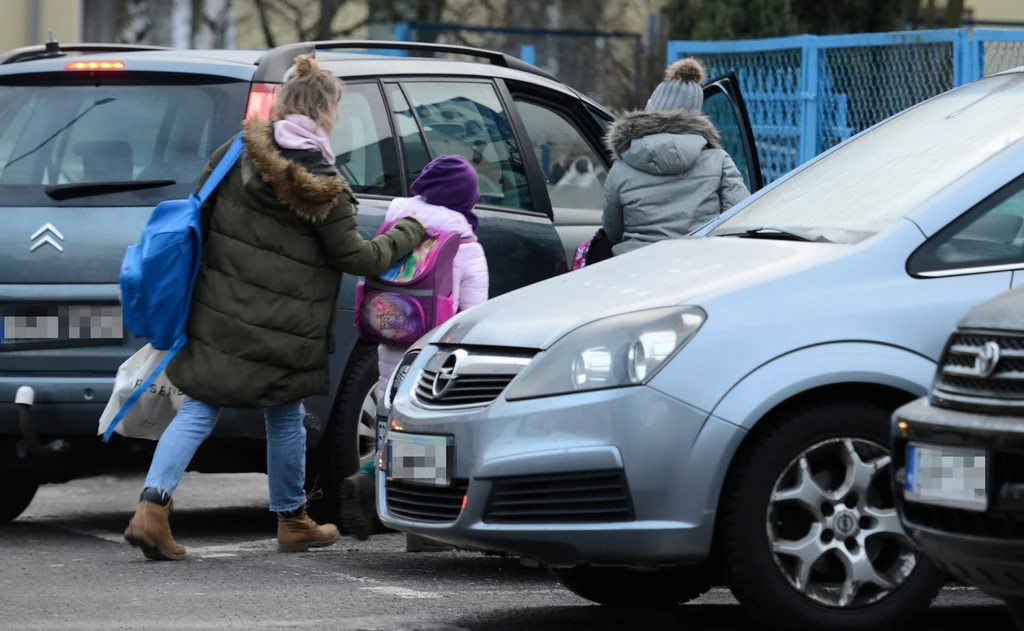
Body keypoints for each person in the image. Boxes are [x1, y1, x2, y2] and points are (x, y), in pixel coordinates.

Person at [123, 55, 427, 561]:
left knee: (198, 406)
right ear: (327, 112)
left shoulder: (236, 150)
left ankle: (151, 510)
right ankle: (292, 520)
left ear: (283, 103)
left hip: (218, 312)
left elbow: (201, 210)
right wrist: (409, 232)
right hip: (286, 327)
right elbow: (355, 255)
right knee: (284, 416)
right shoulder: (324, 184)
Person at [340, 154, 489, 548]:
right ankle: (422, 532)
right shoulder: (465, 246)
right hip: (435, 355)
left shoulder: (397, 226)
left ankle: (371, 478)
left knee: (393, 425)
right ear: (465, 201)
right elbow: (474, 316)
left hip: (390, 340)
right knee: (429, 435)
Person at [602, 57, 750, 256]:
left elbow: (612, 231)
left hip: (634, 269)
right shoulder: (719, 161)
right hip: (697, 269)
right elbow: (741, 218)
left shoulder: (621, 167)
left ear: (650, 110)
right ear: (696, 115)